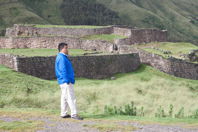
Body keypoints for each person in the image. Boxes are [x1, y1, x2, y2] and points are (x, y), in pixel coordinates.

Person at [55, 42, 83, 120]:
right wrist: (67, 80)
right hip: (65, 81)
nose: (68, 49)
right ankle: (74, 114)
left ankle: (63, 113)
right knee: (71, 97)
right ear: (62, 49)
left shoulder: (61, 57)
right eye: (66, 48)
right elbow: (63, 70)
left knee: (64, 97)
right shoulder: (61, 57)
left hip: (63, 80)